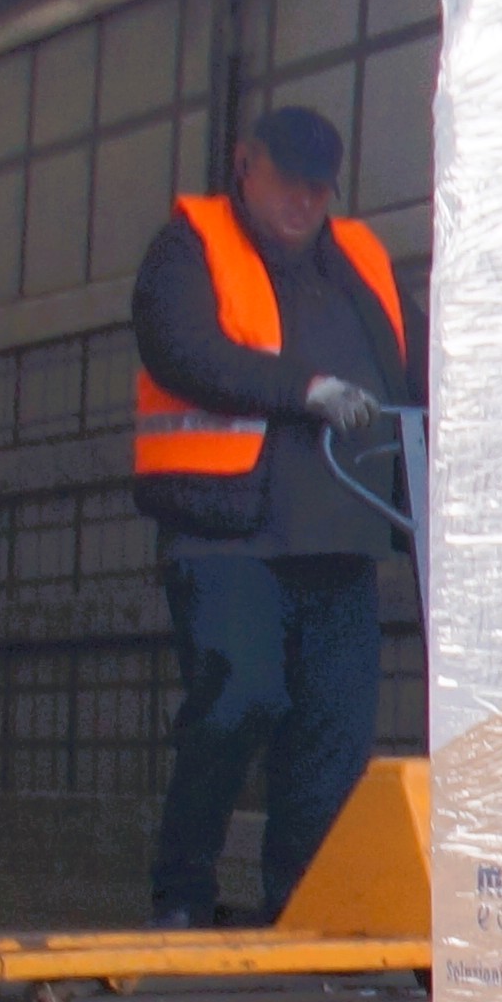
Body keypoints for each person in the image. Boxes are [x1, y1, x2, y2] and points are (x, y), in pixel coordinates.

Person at [128, 102, 415, 927]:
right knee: (240, 698)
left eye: (317, 190)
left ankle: (302, 904)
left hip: (342, 536)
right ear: (245, 166)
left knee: (333, 732)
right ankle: (182, 890)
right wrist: (304, 390)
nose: (301, 204)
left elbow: (418, 356)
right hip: (231, 534)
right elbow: (181, 347)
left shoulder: (358, 258)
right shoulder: (190, 246)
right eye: (287, 184)